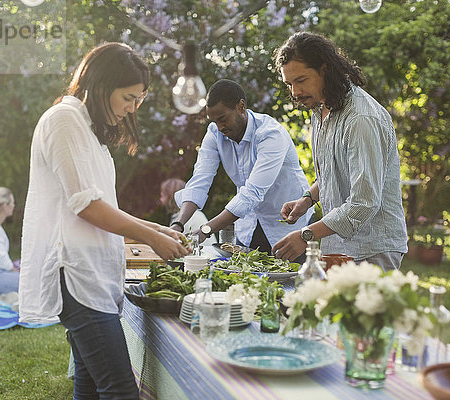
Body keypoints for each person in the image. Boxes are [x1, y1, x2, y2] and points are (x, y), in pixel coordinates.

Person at [18, 42, 189, 400]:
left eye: (138, 100)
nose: (132, 109)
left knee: (91, 383)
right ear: (100, 84)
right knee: (120, 389)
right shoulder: (63, 120)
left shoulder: (89, 131)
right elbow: (86, 207)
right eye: (128, 97)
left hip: (94, 274)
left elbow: (102, 204)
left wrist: (156, 229)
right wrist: (151, 238)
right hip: (76, 274)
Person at [271, 32, 408, 271]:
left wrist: (305, 235)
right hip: (338, 247)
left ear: (324, 69)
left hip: (373, 251)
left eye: (301, 80)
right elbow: (335, 171)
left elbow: (364, 203)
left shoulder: (361, 118)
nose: (295, 92)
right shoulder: (321, 109)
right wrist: (308, 199)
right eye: (289, 84)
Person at [171, 79, 312, 256]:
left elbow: (251, 193)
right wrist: (178, 225)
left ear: (241, 107)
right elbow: (199, 181)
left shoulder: (270, 134)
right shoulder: (215, 134)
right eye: (214, 121)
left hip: (288, 229)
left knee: (290, 283)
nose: (219, 127)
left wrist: (205, 231)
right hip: (248, 229)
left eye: (223, 119)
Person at [160, 178, 216, 246]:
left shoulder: (187, 219)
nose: (161, 199)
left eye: (162, 196)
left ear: (170, 197)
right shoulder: (196, 214)